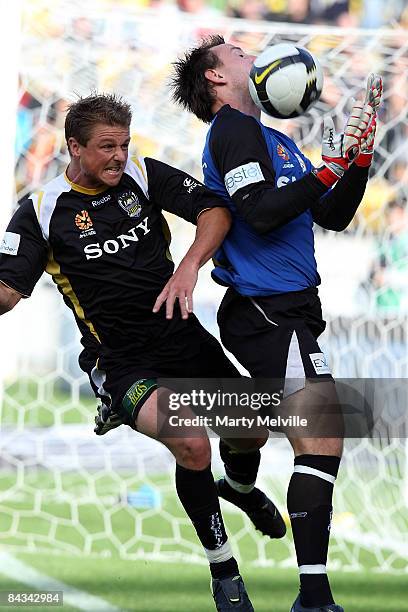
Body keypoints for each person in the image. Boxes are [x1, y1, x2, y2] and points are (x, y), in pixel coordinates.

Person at [0, 93, 286, 612]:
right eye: (106, 146)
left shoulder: (142, 175)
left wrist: (189, 267)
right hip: (121, 362)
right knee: (192, 443)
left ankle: (240, 487)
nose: (117, 155)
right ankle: (225, 572)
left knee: (252, 427)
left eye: (123, 143)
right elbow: (5, 294)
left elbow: (214, 210)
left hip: (182, 338)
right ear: (74, 147)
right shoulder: (41, 213)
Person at [170, 36, 382, 612]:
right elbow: (260, 216)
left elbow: (332, 215)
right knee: (320, 436)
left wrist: (357, 162)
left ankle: (241, 486)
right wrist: (332, 168)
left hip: (292, 310)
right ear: (216, 79)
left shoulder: (274, 140)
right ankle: (313, 598)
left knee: (317, 438)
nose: (251, 53)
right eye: (237, 51)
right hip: (267, 309)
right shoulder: (232, 132)